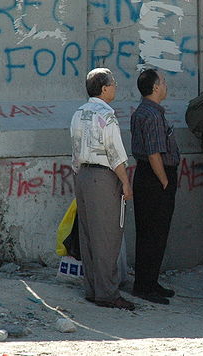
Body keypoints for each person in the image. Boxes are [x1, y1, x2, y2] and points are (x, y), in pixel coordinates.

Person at [70, 68, 135, 310]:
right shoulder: (106, 115)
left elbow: (75, 150)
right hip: (103, 177)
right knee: (108, 236)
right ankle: (108, 293)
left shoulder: (78, 113)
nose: (116, 87)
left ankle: (93, 289)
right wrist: (126, 182)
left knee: (88, 235)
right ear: (105, 88)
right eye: (113, 83)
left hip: (83, 175)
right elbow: (115, 153)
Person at [130, 68, 179, 305]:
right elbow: (153, 153)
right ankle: (144, 286)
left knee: (157, 233)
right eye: (163, 81)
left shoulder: (150, 111)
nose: (166, 85)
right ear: (155, 87)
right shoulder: (150, 114)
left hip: (151, 176)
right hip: (154, 177)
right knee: (152, 232)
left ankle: (150, 281)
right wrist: (164, 180)